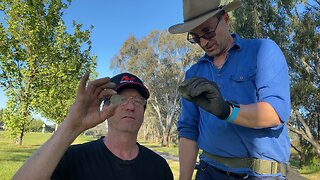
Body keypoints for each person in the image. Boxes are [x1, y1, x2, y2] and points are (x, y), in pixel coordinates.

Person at [169, 0, 291, 179]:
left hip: (260, 175)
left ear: (225, 19)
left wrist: (227, 111)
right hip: (208, 172)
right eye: (195, 37)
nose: (203, 42)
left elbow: (275, 113)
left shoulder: (262, 50)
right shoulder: (194, 73)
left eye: (207, 31)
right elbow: (189, 131)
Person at [13, 72, 174, 180]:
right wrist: (71, 126)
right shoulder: (73, 159)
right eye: (121, 100)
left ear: (144, 111)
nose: (130, 107)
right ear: (105, 107)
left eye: (138, 101)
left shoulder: (159, 167)